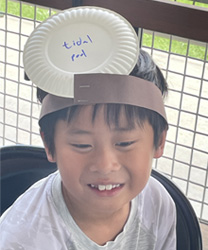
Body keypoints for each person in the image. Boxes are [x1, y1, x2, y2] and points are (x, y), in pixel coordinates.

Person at [0, 7, 176, 250]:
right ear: (50, 145)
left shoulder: (158, 203)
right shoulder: (22, 238)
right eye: (82, 145)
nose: (104, 165)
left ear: (159, 141)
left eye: (124, 143)